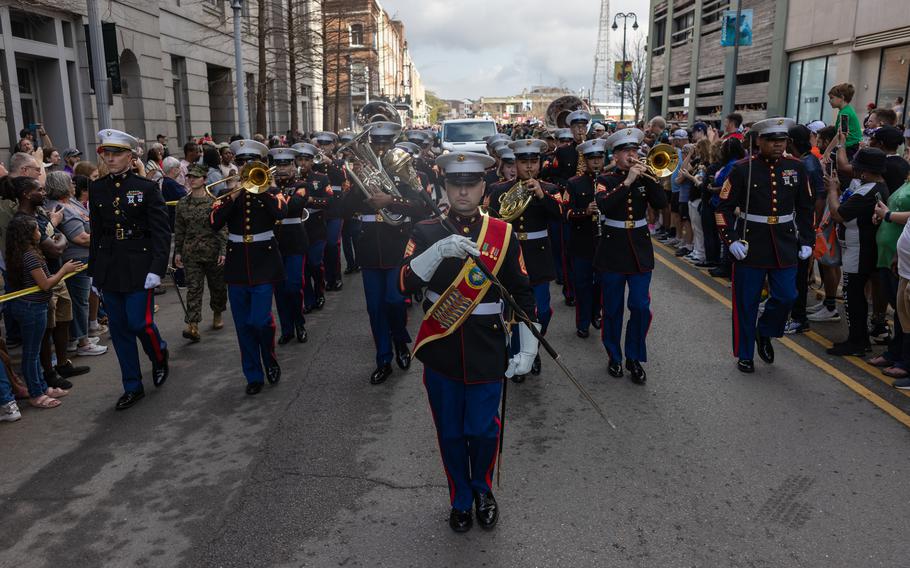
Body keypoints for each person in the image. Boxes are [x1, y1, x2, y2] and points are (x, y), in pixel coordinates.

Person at [399, 151, 538, 533]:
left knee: (482, 429)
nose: (463, 191)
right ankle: (460, 497)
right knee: (450, 432)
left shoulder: (502, 233)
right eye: (455, 184)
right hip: (441, 347)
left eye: (470, 184)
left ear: (482, 188)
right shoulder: (426, 231)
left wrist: (528, 344)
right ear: (445, 186)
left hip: (487, 346)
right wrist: (435, 254)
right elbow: (404, 284)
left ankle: (483, 489)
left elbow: (521, 291)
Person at [715, 118, 815, 373]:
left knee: (787, 296)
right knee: (746, 303)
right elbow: (723, 208)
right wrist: (731, 240)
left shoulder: (797, 167)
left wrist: (806, 239)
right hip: (752, 242)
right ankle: (745, 354)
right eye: (772, 141)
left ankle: (766, 331)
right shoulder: (742, 168)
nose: (778, 145)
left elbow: (805, 207)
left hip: (784, 242)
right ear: (758, 141)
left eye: (782, 141)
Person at [341, 121, 429, 385]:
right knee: (375, 308)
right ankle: (383, 358)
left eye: (384, 145)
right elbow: (343, 210)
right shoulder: (359, 176)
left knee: (393, 300)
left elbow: (422, 208)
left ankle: (400, 339)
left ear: (392, 145)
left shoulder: (406, 172)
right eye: (374, 145)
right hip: (369, 249)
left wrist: (390, 200)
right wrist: (357, 184)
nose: (379, 151)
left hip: (397, 245)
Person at [89, 129, 171, 410]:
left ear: (130, 156)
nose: (110, 159)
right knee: (120, 330)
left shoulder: (146, 188)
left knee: (140, 323)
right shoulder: (97, 188)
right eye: (106, 154)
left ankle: (159, 353)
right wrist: (94, 273)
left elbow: (161, 232)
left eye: (116, 154)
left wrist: (158, 267)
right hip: (111, 266)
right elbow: (97, 233)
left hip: (140, 264)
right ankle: (132, 386)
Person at [210, 139, 285, 395]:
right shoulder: (227, 195)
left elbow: (280, 214)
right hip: (237, 266)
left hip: (264, 263)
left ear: (262, 165)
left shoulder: (272, 192)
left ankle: (269, 356)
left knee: (259, 322)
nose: (245, 167)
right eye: (241, 162)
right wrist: (235, 192)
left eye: (251, 163)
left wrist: (262, 189)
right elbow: (214, 222)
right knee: (243, 325)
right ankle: (253, 375)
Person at [594, 128, 669, 383]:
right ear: (615, 155)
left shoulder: (644, 178)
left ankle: (634, 356)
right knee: (613, 309)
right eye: (626, 151)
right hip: (613, 251)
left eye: (634, 150)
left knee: (640, 307)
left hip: (639, 250)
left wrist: (650, 178)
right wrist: (627, 182)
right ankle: (614, 356)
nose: (631, 155)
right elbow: (604, 205)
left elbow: (660, 203)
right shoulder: (606, 179)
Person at [487, 139, 562, 380]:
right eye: (524, 162)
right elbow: (492, 222)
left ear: (539, 164)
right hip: (510, 254)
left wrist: (541, 195)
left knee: (542, 311)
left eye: (533, 162)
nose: (529, 167)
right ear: (515, 164)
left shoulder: (550, 189)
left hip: (537, 255)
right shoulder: (499, 190)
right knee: (512, 310)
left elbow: (562, 216)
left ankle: (532, 349)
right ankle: (518, 354)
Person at [4, 213, 82, 409]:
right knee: (31, 354)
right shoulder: (29, 256)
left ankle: (41, 386)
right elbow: (45, 284)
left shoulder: (25, 252)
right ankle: (36, 393)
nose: (40, 232)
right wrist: (64, 270)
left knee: (37, 351)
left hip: (33, 307)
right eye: (37, 230)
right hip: (32, 309)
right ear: (27, 235)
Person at [824, 148, 888, 356]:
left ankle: (857, 342)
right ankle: (859, 340)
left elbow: (838, 214)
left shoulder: (866, 191)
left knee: (853, 296)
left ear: (863, 171)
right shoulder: (877, 186)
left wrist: (832, 191)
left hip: (858, 249)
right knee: (856, 295)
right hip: (862, 247)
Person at [45, 172, 107, 357]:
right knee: (80, 301)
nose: (74, 184)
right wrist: (105, 238)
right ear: (62, 186)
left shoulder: (70, 202)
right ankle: (82, 341)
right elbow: (79, 238)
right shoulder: (58, 207)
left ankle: (77, 337)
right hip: (76, 261)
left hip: (85, 258)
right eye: (70, 182)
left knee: (81, 299)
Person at [173, 164, 227, 342]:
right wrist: (178, 252)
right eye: (189, 177)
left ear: (204, 179)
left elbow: (222, 229)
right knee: (193, 289)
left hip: (212, 251)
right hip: (191, 253)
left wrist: (223, 251)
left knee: (217, 286)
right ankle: (193, 325)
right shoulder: (182, 204)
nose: (191, 179)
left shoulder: (214, 202)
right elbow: (179, 230)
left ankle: (217, 312)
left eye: (196, 177)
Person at [783, 124, 826, 335]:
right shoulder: (803, 161)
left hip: (802, 229)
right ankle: (791, 312)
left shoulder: (808, 164)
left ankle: (799, 318)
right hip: (796, 226)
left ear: (791, 142)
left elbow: (818, 197)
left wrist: (811, 226)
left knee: (799, 275)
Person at [564, 138, 606, 338]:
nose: (596, 162)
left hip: (604, 242)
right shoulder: (574, 183)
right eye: (592, 159)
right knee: (582, 284)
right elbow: (566, 212)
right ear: (585, 160)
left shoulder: (609, 181)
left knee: (600, 283)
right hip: (581, 242)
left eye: (599, 158)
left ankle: (596, 314)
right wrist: (585, 211)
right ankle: (582, 322)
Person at [269, 146, 310, 344]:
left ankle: (299, 323)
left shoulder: (301, 185)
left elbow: (292, 207)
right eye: (278, 164)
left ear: (293, 166)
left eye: (286, 164)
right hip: (274, 243)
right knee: (279, 289)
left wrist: (274, 191)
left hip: (294, 240)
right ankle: (287, 329)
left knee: (293, 286)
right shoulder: (265, 187)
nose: (282, 168)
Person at [828, 83, 862, 159]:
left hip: (850, 147)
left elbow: (840, 135)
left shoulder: (845, 113)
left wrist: (827, 152)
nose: (829, 101)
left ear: (842, 98)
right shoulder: (846, 110)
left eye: (831, 98)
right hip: (850, 146)